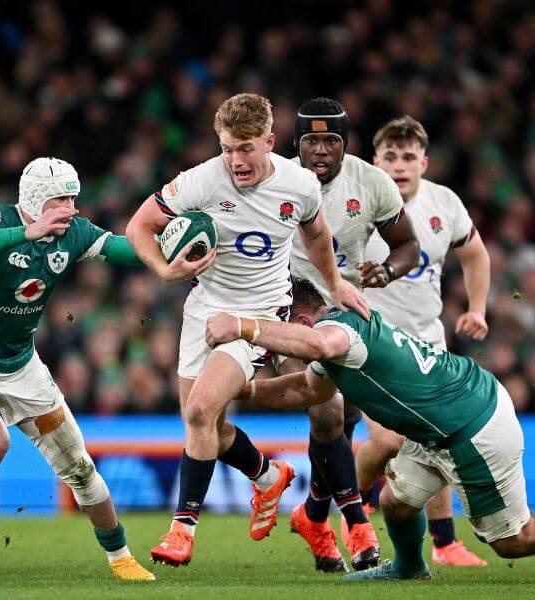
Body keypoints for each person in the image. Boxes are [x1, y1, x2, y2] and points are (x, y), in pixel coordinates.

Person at [125, 92, 369, 567]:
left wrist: (335, 283)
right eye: (227, 148)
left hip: (260, 312)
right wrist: (163, 269)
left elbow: (317, 235)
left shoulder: (299, 185)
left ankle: (181, 530)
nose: (235, 160)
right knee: (205, 426)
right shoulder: (200, 180)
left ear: (269, 142)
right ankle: (267, 476)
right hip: (203, 310)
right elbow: (140, 225)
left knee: (201, 409)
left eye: (245, 148)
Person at [206, 277, 534, 581]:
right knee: (395, 502)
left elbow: (319, 344)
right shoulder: (337, 344)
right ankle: (409, 569)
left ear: (303, 323)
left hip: (471, 427)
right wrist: (236, 389)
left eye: (280, 328)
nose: (277, 349)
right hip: (444, 424)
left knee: (512, 542)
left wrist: (242, 326)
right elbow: (304, 390)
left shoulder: (339, 331)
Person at [0, 157, 155, 581]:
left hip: (23, 369)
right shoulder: (0, 221)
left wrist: (168, 253)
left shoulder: (75, 232)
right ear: (34, 200)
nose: (71, 207)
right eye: (60, 200)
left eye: (73, 198)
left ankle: (121, 557)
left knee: (80, 468)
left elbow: (122, 249)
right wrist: (27, 232)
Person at [287, 98, 420, 572]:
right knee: (328, 412)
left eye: (331, 141)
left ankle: (312, 516)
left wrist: (387, 270)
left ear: (345, 143)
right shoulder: (277, 179)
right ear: (296, 143)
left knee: (341, 424)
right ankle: (356, 523)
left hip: (347, 313)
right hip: (291, 310)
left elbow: (408, 245)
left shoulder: (372, 183)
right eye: (311, 141)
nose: (321, 150)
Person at [360, 116, 491, 567]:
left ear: (424, 162)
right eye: (390, 157)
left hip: (428, 343)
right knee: (391, 441)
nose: (399, 165)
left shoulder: (445, 203)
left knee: (438, 439)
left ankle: (445, 542)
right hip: (372, 341)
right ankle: (356, 507)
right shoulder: (358, 202)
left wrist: (477, 309)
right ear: (375, 162)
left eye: (408, 157)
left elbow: (475, 255)